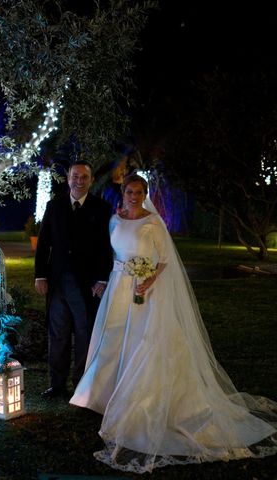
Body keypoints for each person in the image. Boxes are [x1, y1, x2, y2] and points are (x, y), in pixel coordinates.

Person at [70, 174, 277, 473]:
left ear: (144, 194)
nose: (134, 196)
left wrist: (149, 279)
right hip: (117, 289)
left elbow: (165, 259)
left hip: (143, 289)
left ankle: (140, 401)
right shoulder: (115, 220)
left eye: (139, 192)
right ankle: (105, 396)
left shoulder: (154, 223)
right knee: (113, 339)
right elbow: (112, 253)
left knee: (144, 341)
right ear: (123, 192)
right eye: (129, 191)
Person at [34, 161, 112, 399]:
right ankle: (57, 385)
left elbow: (106, 247)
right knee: (57, 335)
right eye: (75, 176)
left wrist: (102, 279)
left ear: (91, 180)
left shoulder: (102, 208)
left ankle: (82, 386)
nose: (79, 181)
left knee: (84, 334)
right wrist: (40, 275)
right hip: (57, 282)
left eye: (84, 177)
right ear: (68, 178)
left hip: (87, 285)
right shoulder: (54, 206)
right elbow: (43, 243)